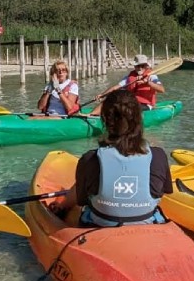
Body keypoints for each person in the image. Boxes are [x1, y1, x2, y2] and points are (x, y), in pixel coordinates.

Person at [70, 90, 173, 227]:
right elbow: (164, 192)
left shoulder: (89, 159)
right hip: (147, 224)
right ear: (139, 119)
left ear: (104, 120)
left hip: (99, 226)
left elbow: (81, 201)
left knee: (80, 210)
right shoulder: (158, 156)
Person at [93, 54, 165, 111]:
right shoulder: (129, 77)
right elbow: (115, 87)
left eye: (142, 66)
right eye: (138, 66)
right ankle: (92, 115)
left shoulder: (152, 76)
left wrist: (148, 83)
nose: (140, 68)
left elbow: (162, 90)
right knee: (110, 99)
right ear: (134, 66)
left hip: (146, 104)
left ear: (146, 66)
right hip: (131, 102)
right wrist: (102, 95)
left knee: (126, 107)